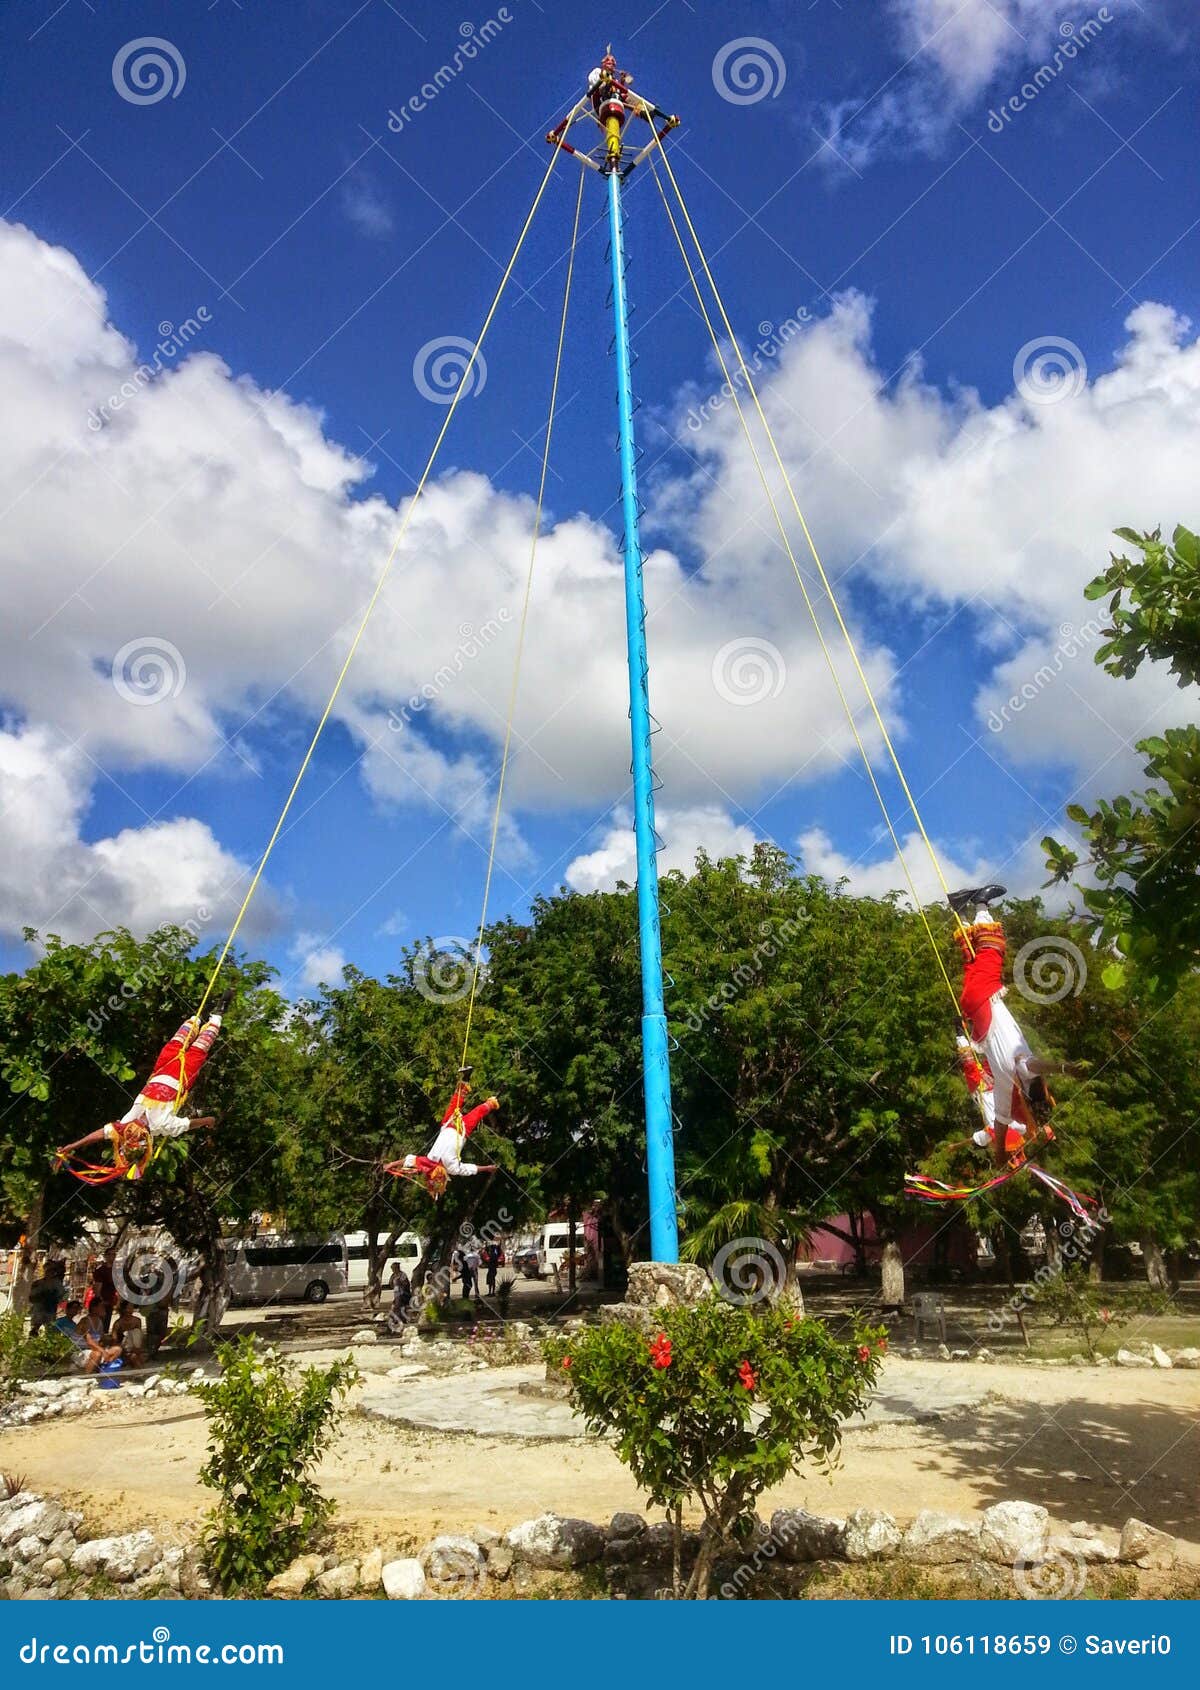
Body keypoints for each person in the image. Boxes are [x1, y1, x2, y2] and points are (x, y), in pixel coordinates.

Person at [948, 886, 1086, 1165]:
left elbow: (1038, 1067)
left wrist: (1065, 1068)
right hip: (975, 1005)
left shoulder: (1021, 1067)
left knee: (992, 949)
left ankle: (981, 902)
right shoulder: (1004, 1081)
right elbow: (999, 1125)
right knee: (973, 960)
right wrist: (1000, 1156)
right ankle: (960, 908)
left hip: (985, 998)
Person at [55, 991, 233, 1170]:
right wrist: (208, 1120)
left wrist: (72, 1146)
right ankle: (217, 1014)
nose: (132, 1132)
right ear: (146, 1139)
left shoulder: (124, 1126)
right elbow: (188, 1124)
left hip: (161, 1069)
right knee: (202, 1045)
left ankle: (199, 1016)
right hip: (183, 1075)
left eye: (129, 1136)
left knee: (179, 1038)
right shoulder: (164, 1126)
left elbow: (100, 1134)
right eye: (137, 1137)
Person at [396, 1072, 501, 1188]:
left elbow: (409, 1160)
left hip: (448, 1124)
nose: (438, 1176)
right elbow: (470, 1169)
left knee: (455, 1101)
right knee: (479, 1112)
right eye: (440, 1179)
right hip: (463, 1130)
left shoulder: (429, 1162)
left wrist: (391, 1164)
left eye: (435, 1178)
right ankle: (491, 1102)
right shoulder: (453, 1169)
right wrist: (486, 1168)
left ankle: (466, 1078)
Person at [27, 1258, 66, 1335]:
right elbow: (31, 1297)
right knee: (35, 1329)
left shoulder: (57, 1284)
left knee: (50, 1329)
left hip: (50, 1309)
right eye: (48, 1271)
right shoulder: (38, 1283)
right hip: (39, 1309)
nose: (50, 1273)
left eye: (52, 1271)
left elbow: (62, 1296)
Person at [386, 1263, 412, 1334]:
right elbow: (390, 1284)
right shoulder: (393, 1275)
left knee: (399, 1307)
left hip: (403, 1295)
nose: (393, 1270)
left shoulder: (402, 1275)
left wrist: (399, 1283)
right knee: (395, 1307)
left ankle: (400, 1320)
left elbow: (406, 1284)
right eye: (392, 1268)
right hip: (396, 1294)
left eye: (394, 1268)